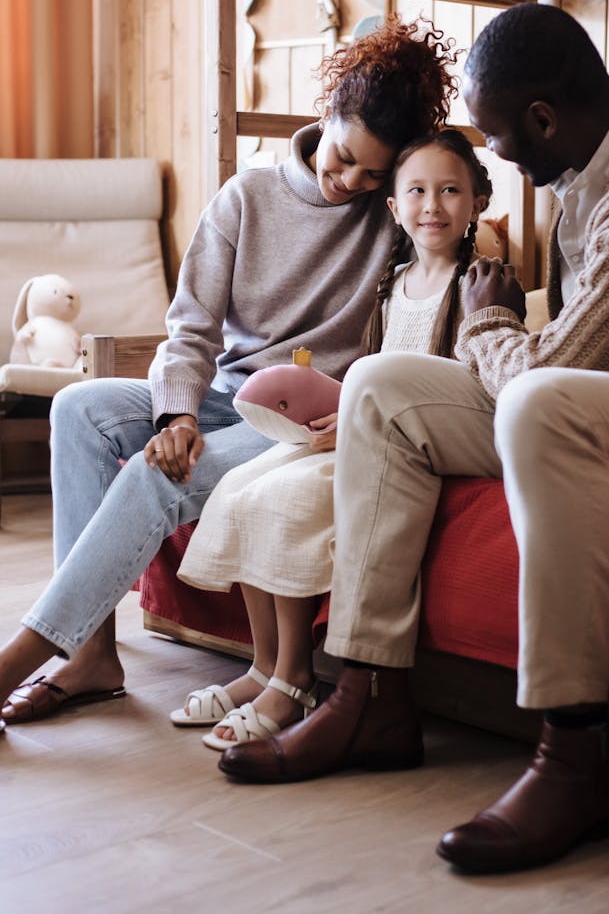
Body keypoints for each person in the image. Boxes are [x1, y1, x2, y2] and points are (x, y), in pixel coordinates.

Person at [215, 2, 609, 875]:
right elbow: (559, 360)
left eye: (497, 138)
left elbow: (542, 372)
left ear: (542, 117)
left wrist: (492, 318)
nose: (495, 155)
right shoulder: (596, 160)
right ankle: (369, 691)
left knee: (541, 404)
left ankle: (575, 755)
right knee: (380, 386)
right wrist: (506, 338)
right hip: (608, 389)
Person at [0, 17, 459, 732]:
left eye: (375, 173)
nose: (352, 182)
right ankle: (91, 655)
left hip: (293, 423)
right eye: (344, 158)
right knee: (78, 410)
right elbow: (191, 329)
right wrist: (175, 414)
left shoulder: (393, 214)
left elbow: (448, 250)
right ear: (326, 110)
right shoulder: (246, 198)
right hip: (218, 396)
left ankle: (21, 654)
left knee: (159, 476)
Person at [170, 128, 492, 750]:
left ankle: (293, 679)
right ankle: (262, 665)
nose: (433, 205)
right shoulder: (389, 284)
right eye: (417, 191)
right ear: (393, 208)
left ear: (477, 201)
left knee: (284, 499)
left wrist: (358, 425)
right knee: (238, 487)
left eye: (451, 190)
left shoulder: (478, 282)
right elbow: (366, 370)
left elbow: (465, 385)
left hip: (409, 441)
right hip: (357, 426)